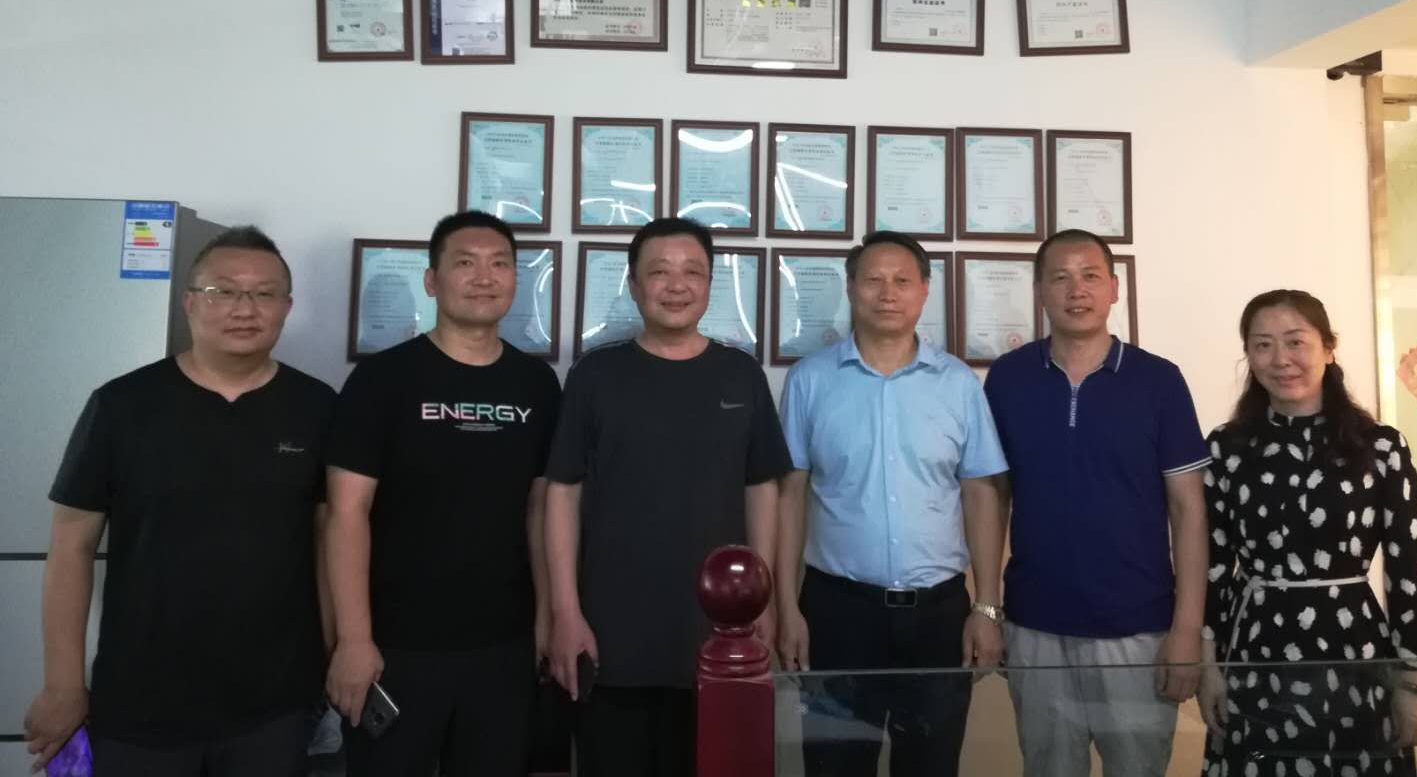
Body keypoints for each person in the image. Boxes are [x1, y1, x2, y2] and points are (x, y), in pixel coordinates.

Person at [23, 226, 334, 776]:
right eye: (223, 291)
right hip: (141, 699)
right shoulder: (122, 405)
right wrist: (63, 684)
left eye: (264, 294)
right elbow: (71, 547)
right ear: (190, 302)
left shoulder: (318, 407)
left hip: (275, 702)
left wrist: (334, 655)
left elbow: (331, 541)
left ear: (287, 307)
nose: (244, 308)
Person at [545, 217, 792, 777]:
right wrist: (565, 611)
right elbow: (562, 493)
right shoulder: (594, 375)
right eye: (659, 272)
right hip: (610, 635)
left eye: (692, 272)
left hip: (720, 637)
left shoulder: (741, 374)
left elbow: (762, 489)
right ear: (634, 285)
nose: (676, 285)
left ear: (709, 285)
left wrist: (765, 603)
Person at [325, 210, 560, 776]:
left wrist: (546, 616)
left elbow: (539, 511)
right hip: (396, 646)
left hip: (503, 644)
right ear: (432, 281)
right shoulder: (381, 379)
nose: (484, 277)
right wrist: (353, 640)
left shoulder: (537, 384)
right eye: (465, 263)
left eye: (499, 264)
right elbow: (346, 513)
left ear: (515, 279)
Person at [776, 231, 1010, 777]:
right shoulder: (810, 381)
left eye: (902, 280)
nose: (887, 293)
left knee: (931, 765)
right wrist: (787, 608)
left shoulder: (958, 384)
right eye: (873, 280)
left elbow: (982, 494)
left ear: (924, 290)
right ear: (850, 287)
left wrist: (987, 608)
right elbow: (789, 497)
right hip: (837, 614)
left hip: (939, 616)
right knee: (834, 766)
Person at [984, 228, 1210, 777]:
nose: (1076, 290)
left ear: (1114, 288)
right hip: (1035, 625)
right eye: (1060, 277)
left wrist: (1187, 627)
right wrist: (987, 609)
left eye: (1090, 276)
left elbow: (1189, 511)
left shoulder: (1158, 381)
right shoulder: (1008, 379)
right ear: (1040, 291)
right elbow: (991, 498)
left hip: (1139, 629)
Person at [1198, 289, 1417, 776]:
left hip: (1355, 648)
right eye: (1263, 345)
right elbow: (1213, 566)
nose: (1280, 359)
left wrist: (1415, 683)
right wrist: (1207, 667)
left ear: (1328, 349)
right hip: (1257, 649)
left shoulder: (1380, 447)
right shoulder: (1228, 448)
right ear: (1249, 356)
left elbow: (1410, 569)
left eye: (1295, 342)